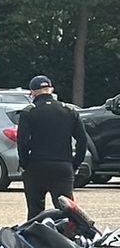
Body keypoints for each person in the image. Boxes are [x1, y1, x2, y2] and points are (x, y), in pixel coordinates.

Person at [16, 75, 93, 219]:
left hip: (36, 166)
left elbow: (22, 141)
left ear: (32, 92)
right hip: (62, 166)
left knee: (35, 212)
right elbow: (82, 140)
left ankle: (36, 233)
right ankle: (66, 233)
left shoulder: (29, 112)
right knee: (66, 212)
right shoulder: (69, 111)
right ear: (51, 89)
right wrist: (74, 164)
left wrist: (24, 163)